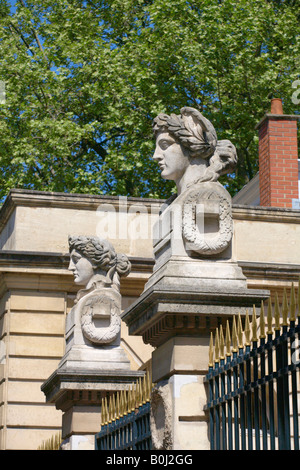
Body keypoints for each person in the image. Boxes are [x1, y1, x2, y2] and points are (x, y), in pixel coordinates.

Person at [152, 107, 237, 196]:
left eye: (165, 145)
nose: (155, 155)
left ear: (193, 143)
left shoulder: (207, 195)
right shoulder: (179, 201)